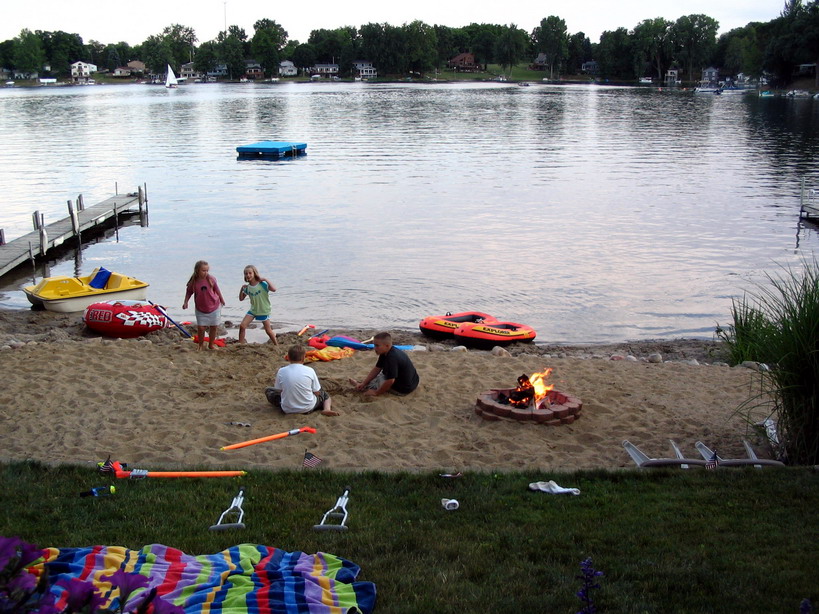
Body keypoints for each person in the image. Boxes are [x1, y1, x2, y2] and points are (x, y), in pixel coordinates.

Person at [266, 345, 338, 416]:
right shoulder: (310, 370)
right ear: (303, 358)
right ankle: (327, 409)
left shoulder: (281, 371)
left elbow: (279, 390)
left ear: (288, 358)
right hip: (308, 407)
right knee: (324, 395)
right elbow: (316, 391)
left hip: (287, 409)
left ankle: (289, 404)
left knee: (269, 390)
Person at [350, 332, 419, 397]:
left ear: (387, 346)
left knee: (379, 380)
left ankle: (363, 387)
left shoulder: (392, 358)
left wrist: (376, 393)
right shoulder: (385, 352)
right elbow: (377, 368)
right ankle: (362, 384)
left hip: (404, 389)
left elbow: (390, 380)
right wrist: (364, 383)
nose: (374, 348)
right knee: (380, 374)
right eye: (374, 345)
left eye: (377, 345)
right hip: (413, 381)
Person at [182, 260, 226, 350]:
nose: (206, 272)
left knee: (214, 326)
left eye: (207, 270)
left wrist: (222, 299)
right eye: (203, 270)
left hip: (214, 306)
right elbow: (189, 292)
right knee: (201, 328)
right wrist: (186, 302)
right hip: (200, 308)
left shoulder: (211, 279)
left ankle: (211, 344)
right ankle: (200, 345)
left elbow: (217, 289)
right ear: (197, 270)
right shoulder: (194, 282)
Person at [238, 265, 278, 344]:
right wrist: (241, 289)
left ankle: (276, 344)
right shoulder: (247, 287)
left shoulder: (262, 284)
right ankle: (240, 344)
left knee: (268, 331)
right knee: (242, 326)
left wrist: (265, 279)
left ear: (254, 273)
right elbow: (241, 298)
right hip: (253, 310)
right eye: (246, 274)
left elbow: (274, 289)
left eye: (250, 273)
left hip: (263, 310)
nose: (248, 275)